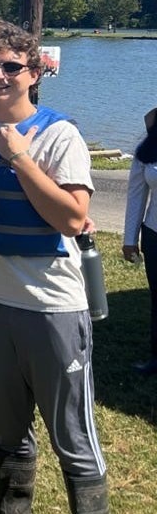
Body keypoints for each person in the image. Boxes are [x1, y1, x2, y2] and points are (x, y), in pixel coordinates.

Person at [0, 19, 107, 514]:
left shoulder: (59, 135)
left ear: (33, 72)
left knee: (73, 440)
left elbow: (74, 217)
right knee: (9, 433)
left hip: (51, 309)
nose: (0, 74)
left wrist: (21, 159)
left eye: (12, 66)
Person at [124, 106, 157, 375]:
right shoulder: (147, 150)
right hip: (154, 234)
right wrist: (129, 239)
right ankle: (156, 357)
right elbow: (136, 196)